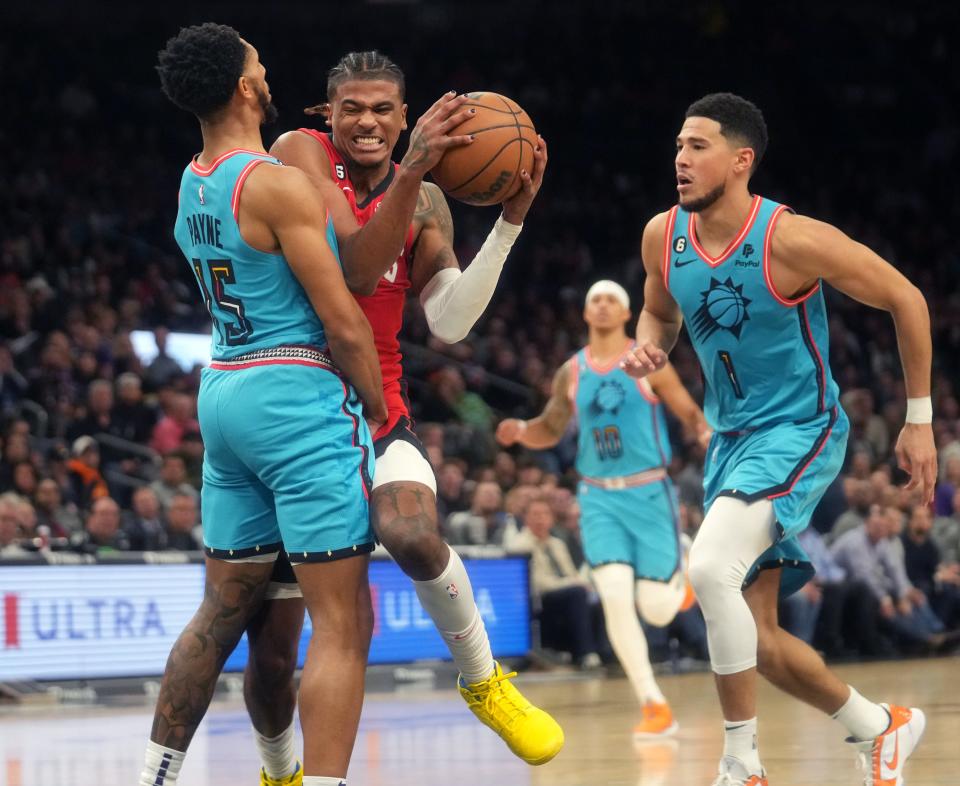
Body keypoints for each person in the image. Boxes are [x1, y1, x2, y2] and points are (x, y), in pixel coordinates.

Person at [258, 50, 562, 770]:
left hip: (377, 405)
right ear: (326, 114)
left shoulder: (426, 199)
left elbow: (450, 321)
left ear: (404, 116)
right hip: (295, 415)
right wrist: (416, 170)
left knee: (416, 537)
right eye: (352, 108)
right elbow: (359, 266)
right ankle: (278, 771)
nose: (366, 121)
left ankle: (485, 681)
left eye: (382, 109)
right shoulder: (296, 154)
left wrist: (510, 222)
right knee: (271, 652)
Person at [621, 92, 936, 785]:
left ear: (741, 160)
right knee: (756, 640)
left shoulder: (790, 239)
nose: (679, 158)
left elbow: (906, 298)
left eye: (697, 146)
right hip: (731, 443)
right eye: (677, 145)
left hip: (801, 429)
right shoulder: (661, 236)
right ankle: (880, 728)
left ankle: (742, 765)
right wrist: (650, 347)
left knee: (708, 572)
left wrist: (919, 419)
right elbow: (656, 314)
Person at [140, 24, 387, 786]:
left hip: (225, 389)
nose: (267, 66)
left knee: (222, 613)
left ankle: (156, 774)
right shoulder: (277, 182)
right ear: (247, 87)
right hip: (295, 392)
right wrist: (374, 407)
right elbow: (342, 316)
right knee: (342, 625)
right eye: (258, 61)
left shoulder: (191, 179)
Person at [498, 279, 710, 738]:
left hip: (650, 491)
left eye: (611, 298)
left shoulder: (647, 360)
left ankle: (684, 565)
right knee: (613, 594)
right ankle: (653, 703)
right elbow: (550, 428)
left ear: (627, 313)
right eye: (594, 298)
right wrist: (521, 430)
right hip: (597, 497)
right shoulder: (571, 372)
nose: (602, 305)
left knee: (655, 609)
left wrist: (704, 430)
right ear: (586, 313)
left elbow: (688, 410)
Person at [510, 496, 602, 667]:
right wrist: (575, 584)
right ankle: (586, 654)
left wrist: (580, 584)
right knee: (577, 593)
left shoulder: (557, 543)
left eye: (545, 514)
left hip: (565, 594)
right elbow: (539, 584)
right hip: (537, 602)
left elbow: (571, 574)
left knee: (597, 598)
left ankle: (604, 654)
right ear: (526, 518)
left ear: (551, 519)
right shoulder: (520, 544)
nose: (540, 519)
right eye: (535, 514)